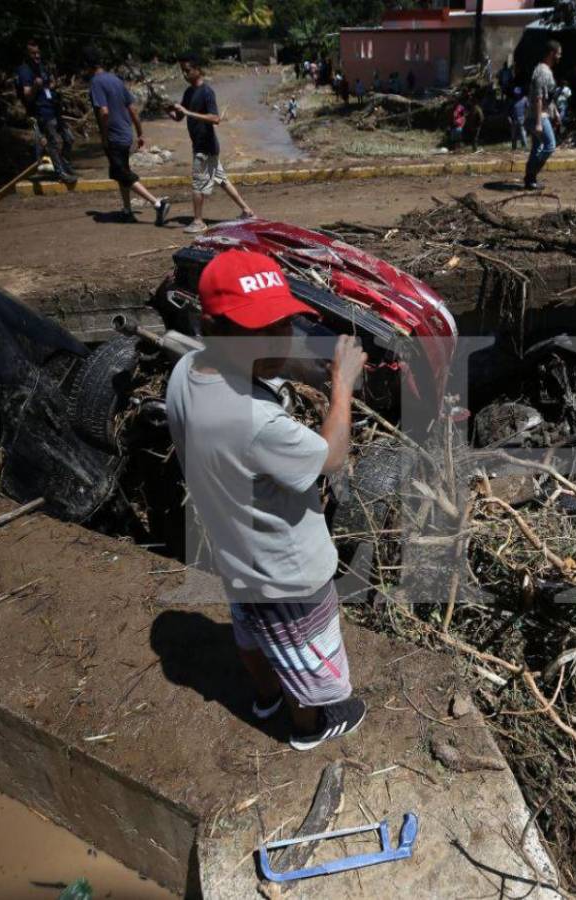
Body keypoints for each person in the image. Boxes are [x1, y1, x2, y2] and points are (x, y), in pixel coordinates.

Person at [164, 249, 369, 751]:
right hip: (287, 570)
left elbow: (244, 384)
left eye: (282, 322)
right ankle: (308, 726)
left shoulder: (187, 370)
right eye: (259, 329)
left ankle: (265, 697)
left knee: (252, 629)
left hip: (235, 552)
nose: (279, 338)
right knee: (304, 652)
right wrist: (342, 386)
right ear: (213, 325)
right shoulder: (256, 423)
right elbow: (332, 455)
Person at [84, 47, 170, 225]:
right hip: (125, 134)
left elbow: (104, 113)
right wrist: (140, 133)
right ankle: (127, 210)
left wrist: (105, 137)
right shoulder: (116, 80)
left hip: (114, 136)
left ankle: (157, 203)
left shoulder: (96, 83)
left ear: (87, 66)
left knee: (122, 173)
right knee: (120, 172)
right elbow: (133, 109)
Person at [170, 54, 254, 233]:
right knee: (222, 180)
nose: (185, 74)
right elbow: (179, 117)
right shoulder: (188, 92)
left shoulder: (207, 92)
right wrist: (172, 111)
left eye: (187, 70)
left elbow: (215, 118)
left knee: (198, 184)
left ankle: (199, 221)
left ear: (198, 70)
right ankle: (247, 211)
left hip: (205, 146)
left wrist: (188, 112)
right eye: (182, 71)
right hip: (201, 145)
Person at [15, 39, 77, 184]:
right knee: (53, 142)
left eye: (38, 53)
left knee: (69, 138)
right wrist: (36, 86)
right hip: (41, 112)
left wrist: (54, 85)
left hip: (54, 109)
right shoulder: (25, 71)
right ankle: (60, 173)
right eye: (33, 53)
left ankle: (65, 163)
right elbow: (27, 95)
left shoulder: (41, 67)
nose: (37, 56)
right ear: (27, 55)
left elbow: (49, 84)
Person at [524, 40, 562, 190]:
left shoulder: (546, 70)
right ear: (552, 53)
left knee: (538, 146)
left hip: (542, 113)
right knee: (550, 145)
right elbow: (538, 98)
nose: (560, 56)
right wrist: (539, 122)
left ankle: (530, 180)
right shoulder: (542, 72)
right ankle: (530, 174)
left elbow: (548, 97)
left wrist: (556, 113)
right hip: (538, 115)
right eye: (559, 53)